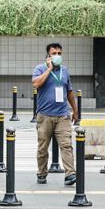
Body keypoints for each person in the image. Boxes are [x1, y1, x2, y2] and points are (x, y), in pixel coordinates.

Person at [32, 43, 79, 186]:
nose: (57, 56)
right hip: (45, 115)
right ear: (48, 55)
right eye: (54, 53)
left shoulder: (64, 71)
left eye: (59, 53)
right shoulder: (40, 69)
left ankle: (70, 173)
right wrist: (49, 69)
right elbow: (36, 84)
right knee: (43, 147)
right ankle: (41, 173)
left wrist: (75, 110)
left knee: (66, 145)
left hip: (62, 115)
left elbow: (69, 91)